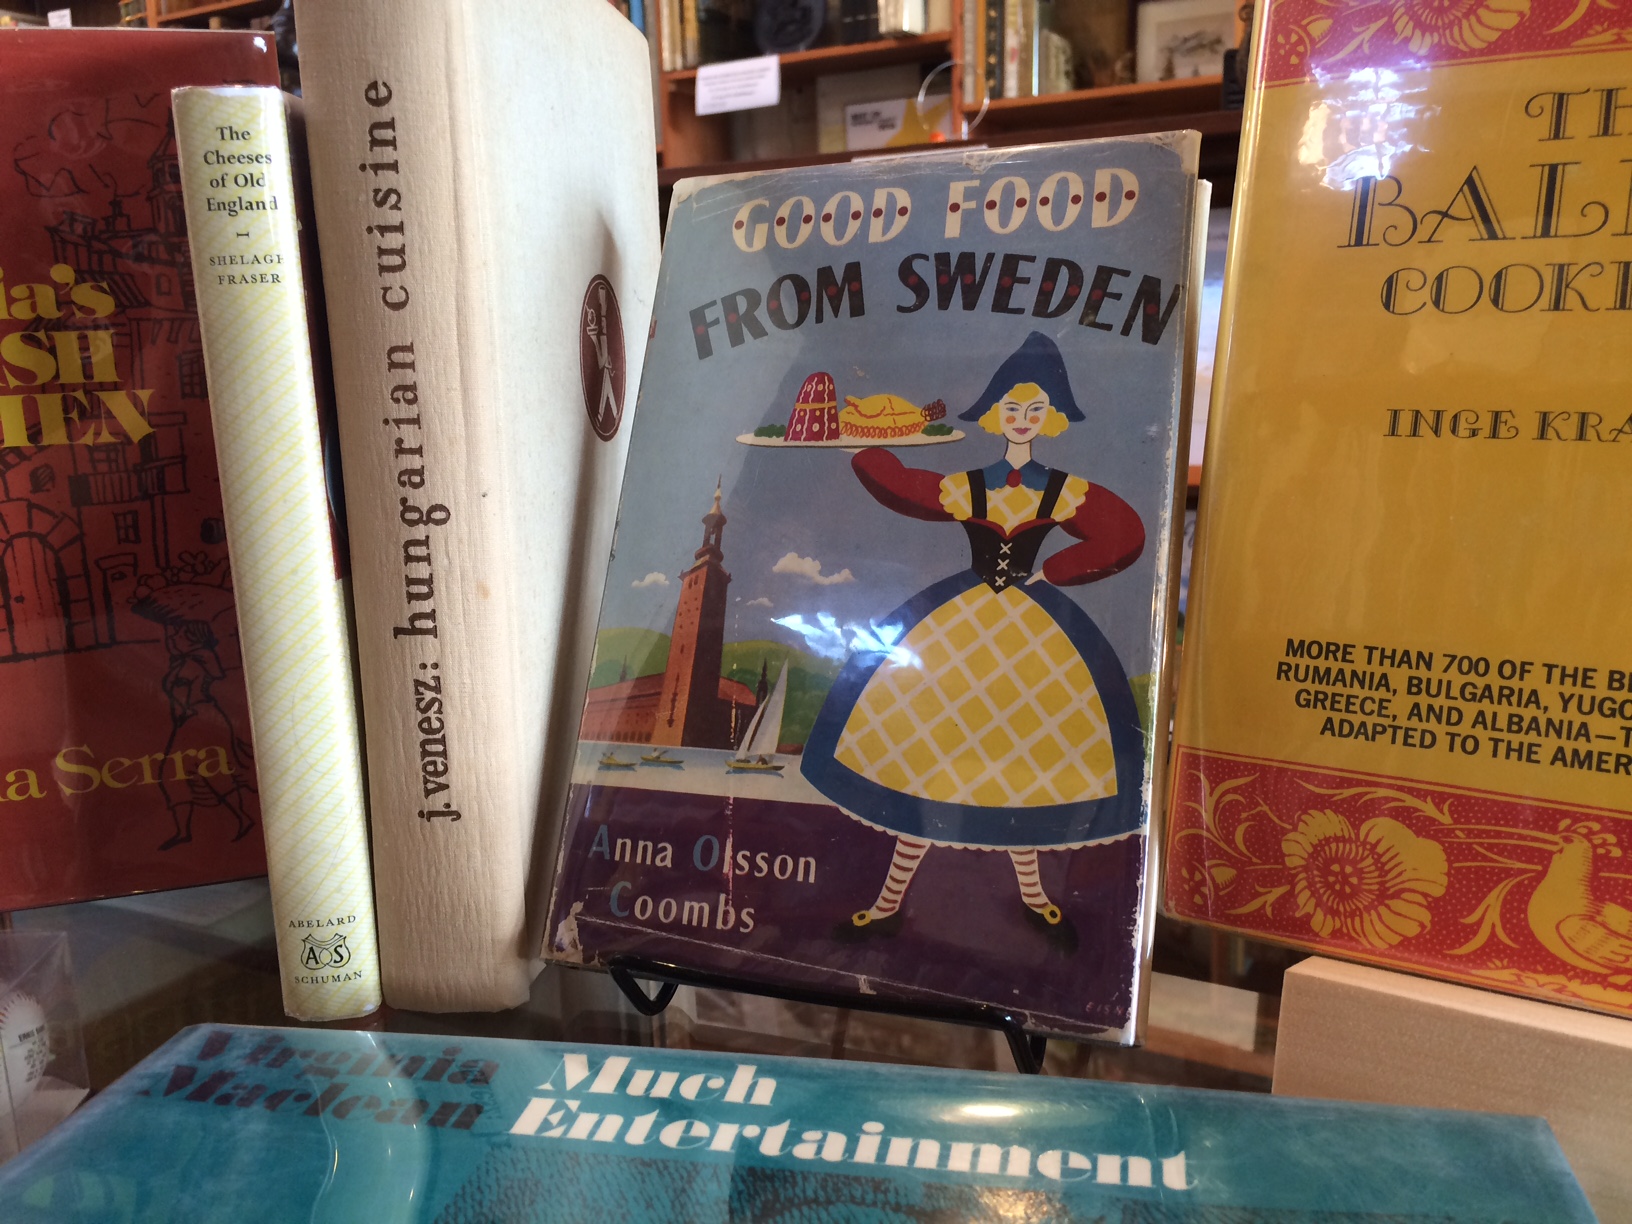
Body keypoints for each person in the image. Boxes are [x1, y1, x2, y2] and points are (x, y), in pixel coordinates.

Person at [800, 331, 1147, 936]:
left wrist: (1057, 571)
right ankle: (889, 902)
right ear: (994, 413)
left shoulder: (1062, 489)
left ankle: (1033, 895)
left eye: (1035, 408)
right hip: (958, 634)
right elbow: (906, 487)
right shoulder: (972, 485)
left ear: (1052, 417)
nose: (1022, 418)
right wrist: (864, 448)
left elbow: (1124, 532)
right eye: (1012, 407)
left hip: (1035, 641)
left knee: (1023, 759)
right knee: (922, 756)